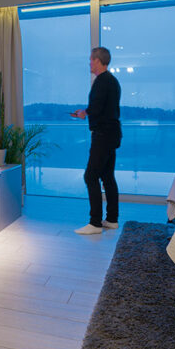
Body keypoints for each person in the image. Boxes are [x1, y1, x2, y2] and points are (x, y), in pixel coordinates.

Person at [70, 47, 122, 235]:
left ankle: (95, 223)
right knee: (107, 176)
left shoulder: (101, 81)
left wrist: (84, 113)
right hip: (112, 134)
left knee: (90, 176)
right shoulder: (113, 81)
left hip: (103, 135)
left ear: (98, 61)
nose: (89, 63)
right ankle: (112, 219)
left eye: (91, 60)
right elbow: (103, 108)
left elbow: (97, 108)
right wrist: (86, 112)